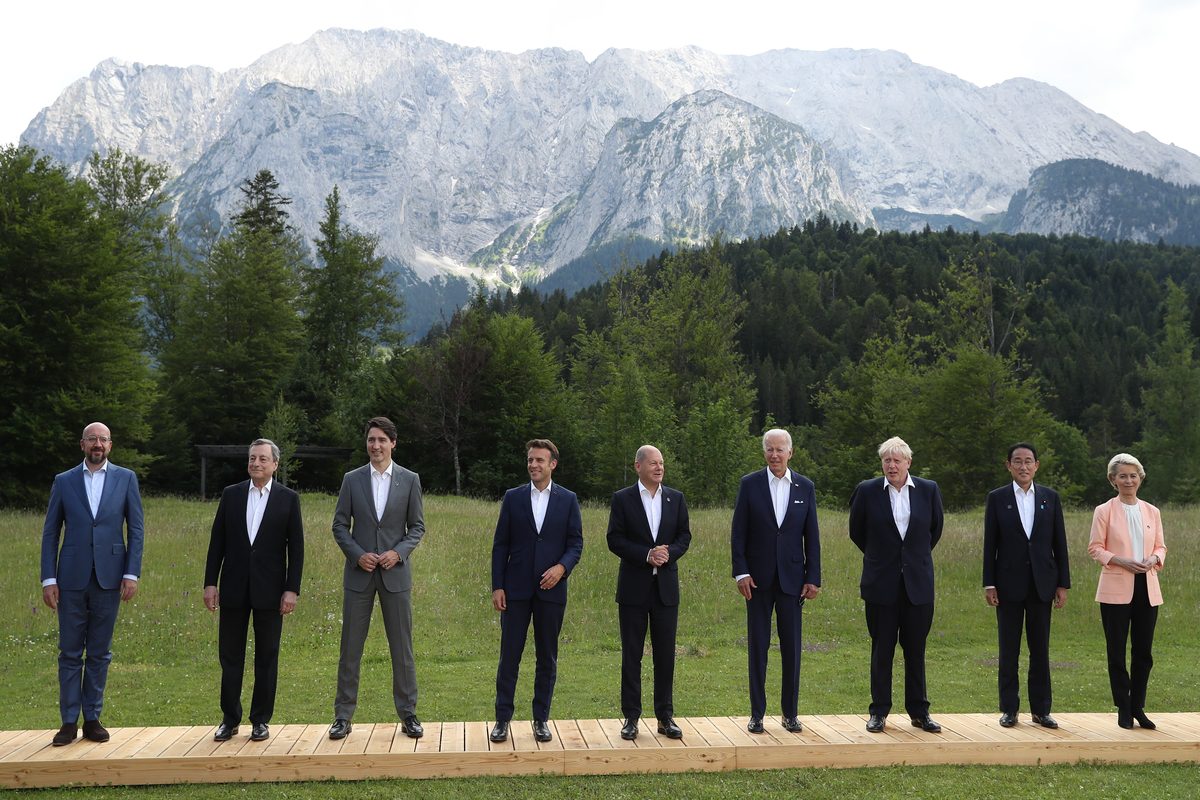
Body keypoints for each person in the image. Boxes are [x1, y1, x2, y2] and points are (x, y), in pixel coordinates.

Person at [40, 422, 145, 746]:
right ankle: (68, 722)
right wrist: (49, 578)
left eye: (103, 439)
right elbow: (50, 532)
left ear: (110, 445)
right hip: (70, 579)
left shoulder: (126, 478)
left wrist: (131, 573)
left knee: (100, 653)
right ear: (82, 444)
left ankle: (93, 719)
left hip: (110, 578)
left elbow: (136, 530)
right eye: (92, 439)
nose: (97, 444)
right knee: (70, 653)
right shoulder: (64, 481)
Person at [329, 417, 426, 740]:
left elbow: (417, 527)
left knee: (402, 648)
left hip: (396, 575)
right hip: (359, 576)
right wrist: (358, 554)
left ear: (393, 443)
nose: (376, 446)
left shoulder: (410, 480)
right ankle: (343, 715)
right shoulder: (352, 480)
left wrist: (398, 552)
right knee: (350, 648)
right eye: (371, 440)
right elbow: (340, 525)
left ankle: (409, 714)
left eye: (382, 440)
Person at [204, 439, 304, 743]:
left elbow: (296, 549)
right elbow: (217, 542)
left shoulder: (288, 499)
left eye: (262, 459)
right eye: (252, 458)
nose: (256, 463)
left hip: (271, 591)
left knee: (267, 656)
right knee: (230, 656)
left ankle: (260, 719)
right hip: (233, 588)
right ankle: (229, 719)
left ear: (274, 464)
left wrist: (291, 589)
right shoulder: (231, 495)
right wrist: (210, 582)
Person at [490, 439, 584, 744]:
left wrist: (561, 568)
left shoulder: (568, 499)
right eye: (530, 460)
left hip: (551, 591)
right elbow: (500, 544)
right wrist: (497, 586)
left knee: (547, 658)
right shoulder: (513, 497)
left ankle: (541, 719)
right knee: (509, 657)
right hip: (515, 591)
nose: (533, 465)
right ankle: (502, 719)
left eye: (539, 460)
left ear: (552, 464)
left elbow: (575, 544)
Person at [848, 436, 943, 734]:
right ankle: (879, 712)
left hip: (918, 585)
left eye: (896, 460)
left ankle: (919, 711)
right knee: (882, 649)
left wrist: (911, 559)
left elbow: (934, 531)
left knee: (916, 649)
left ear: (908, 463)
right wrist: (882, 558)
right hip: (881, 584)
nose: (891, 465)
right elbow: (857, 532)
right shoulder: (867, 491)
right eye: (886, 460)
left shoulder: (928, 490)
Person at [730, 429, 821, 734]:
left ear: (790, 452)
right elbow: (738, 532)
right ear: (764, 452)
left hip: (792, 581)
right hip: (756, 581)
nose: (774, 455)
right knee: (758, 647)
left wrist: (813, 577)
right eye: (769, 449)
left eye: (780, 450)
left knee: (792, 649)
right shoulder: (750, 485)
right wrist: (741, 572)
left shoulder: (805, 487)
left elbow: (813, 537)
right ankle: (757, 713)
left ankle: (790, 713)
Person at [606, 445, 692, 741]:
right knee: (632, 654)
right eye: (653, 463)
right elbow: (614, 539)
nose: (659, 468)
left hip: (665, 590)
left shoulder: (675, 498)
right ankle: (631, 717)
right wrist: (646, 554)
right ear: (638, 466)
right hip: (633, 590)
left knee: (665, 655)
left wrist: (669, 553)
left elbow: (684, 536)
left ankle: (665, 716)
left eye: (662, 463)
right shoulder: (622, 499)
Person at [982, 442, 1070, 729]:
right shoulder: (997, 498)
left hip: (1042, 585)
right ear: (1008, 465)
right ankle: (1009, 709)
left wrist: (1062, 584)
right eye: (1017, 461)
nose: (1023, 466)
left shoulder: (1050, 498)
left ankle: (1041, 710)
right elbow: (990, 545)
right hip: (1007, 585)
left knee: (1040, 650)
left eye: (1028, 461)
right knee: (1009, 649)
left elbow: (1060, 543)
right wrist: (989, 583)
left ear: (1037, 465)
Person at [1088, 453, 1166, 730]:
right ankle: (1123, 706)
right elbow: (1095, 548)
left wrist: (1154, 559)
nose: (1128, 480)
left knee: (1143, 651)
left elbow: (1160, 547)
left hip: (1148, 587)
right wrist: (1120, 560)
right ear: (1113, 480)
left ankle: (1138, 707)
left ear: (1140, 478)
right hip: (1115, 590)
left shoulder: (1152, 511)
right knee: (1117, 651)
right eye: (1123, 475)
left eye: (1133, 475)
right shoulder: (1104, 511)